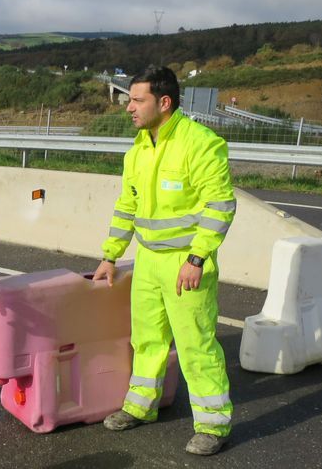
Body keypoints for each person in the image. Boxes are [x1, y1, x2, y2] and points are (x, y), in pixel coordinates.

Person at [93, 66, 236, 456]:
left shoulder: (200, 143)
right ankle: (140, 405)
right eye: (130, 99)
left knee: (196, 345)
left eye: (137, 100)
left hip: (185, 263)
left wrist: (197, 257)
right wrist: (110, 255)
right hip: (148, 261)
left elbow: (220, 206)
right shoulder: (138, 148)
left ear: (164, 102)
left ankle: (213, 423)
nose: (129, 108)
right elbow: (127, 207)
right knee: (147, 339)